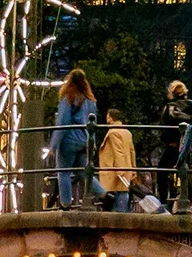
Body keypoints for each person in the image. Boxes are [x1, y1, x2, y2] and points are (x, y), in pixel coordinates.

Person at [51, 69, 98, 208]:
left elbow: (63, 122)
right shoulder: (91, 101)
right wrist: (92, 143)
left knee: (63, 172)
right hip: (84, 140)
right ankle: (103, 194)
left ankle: (65, 203)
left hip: (69, 141)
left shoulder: (68, 98)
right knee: (85, 172)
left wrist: (54, 145)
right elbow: (93, 124)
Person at [156, 80, 192, 210]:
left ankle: (164, 201)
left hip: (173, 145)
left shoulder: (170, 107)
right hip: (187, 146)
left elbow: (164, 127)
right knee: (186, 172)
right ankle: (187, 201)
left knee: (162, 171)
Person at [97, 108, 138, 212]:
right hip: (126, 169)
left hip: (115, 170)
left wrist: (120, 169)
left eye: (107, 116)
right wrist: (133, 168)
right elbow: (132, 151)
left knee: (117, 196)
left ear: (110, 117)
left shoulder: (113, 132)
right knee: (123, 193)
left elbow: (117, 151)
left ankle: (119, 221)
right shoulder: (127, 132)